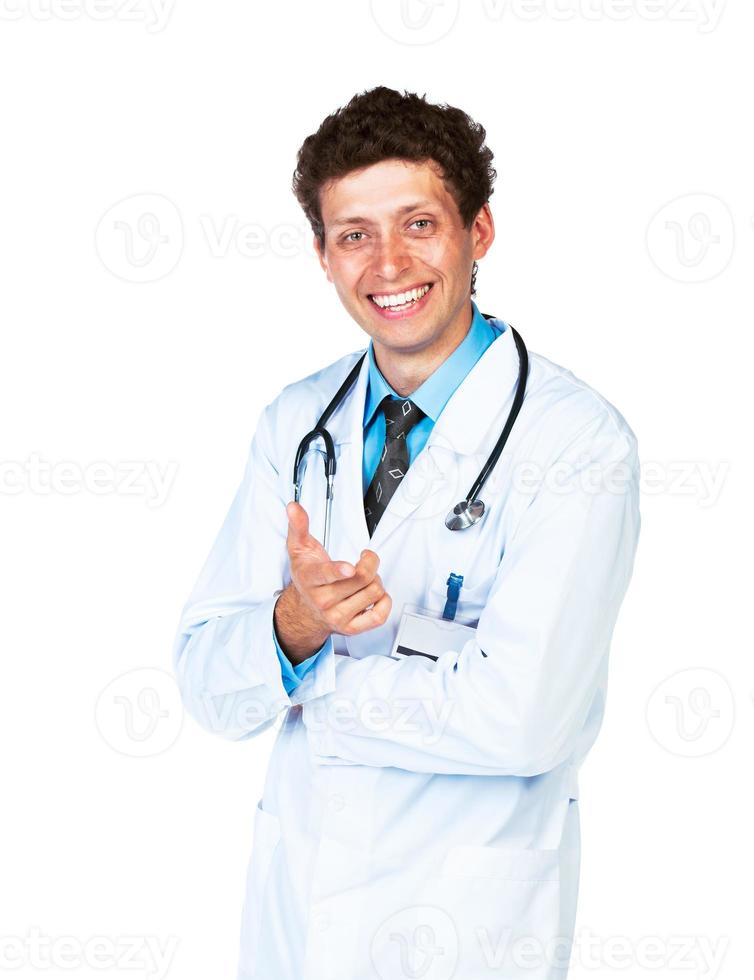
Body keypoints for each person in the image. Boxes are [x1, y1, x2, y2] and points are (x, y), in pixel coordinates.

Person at [172, 85, 641, 980]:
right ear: (322, 253)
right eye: (354, 234)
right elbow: (209, 685)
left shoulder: (576, 444)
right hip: (298, 920)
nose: (388, 263)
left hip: (469, 926)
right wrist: (299, 626)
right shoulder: (296, 422)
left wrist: (319, 688)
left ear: (479, 232)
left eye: (418, 224)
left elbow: (525, 721)